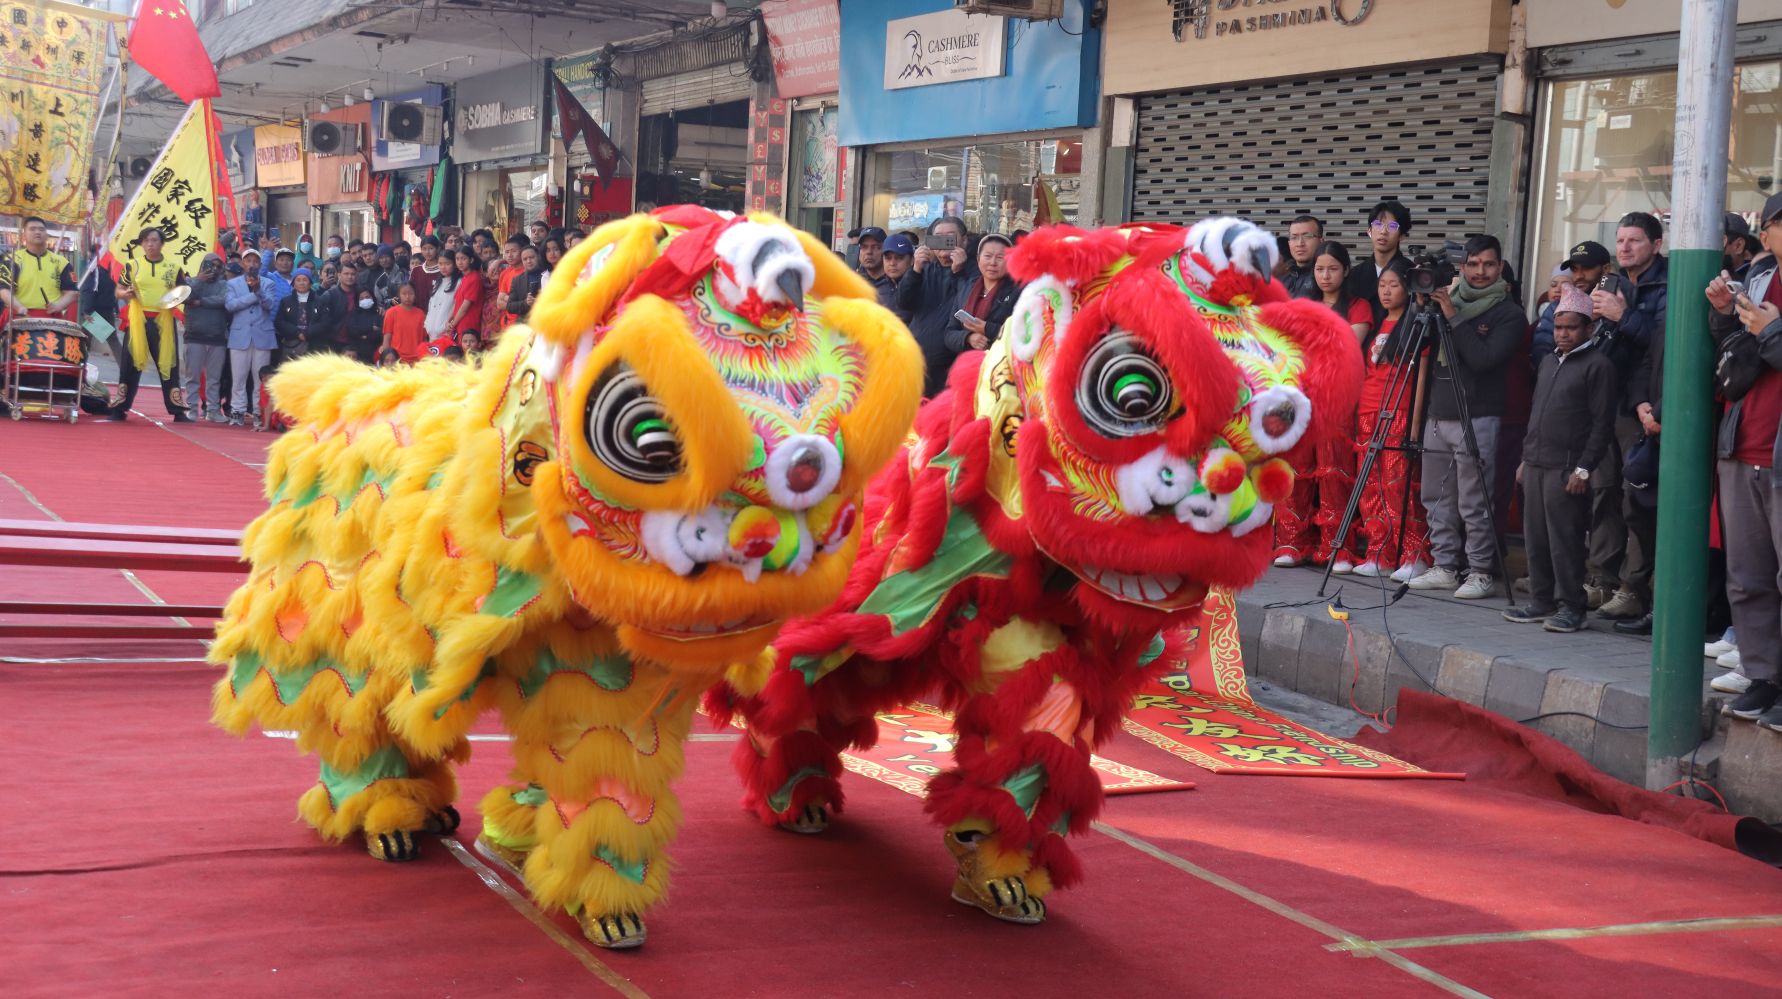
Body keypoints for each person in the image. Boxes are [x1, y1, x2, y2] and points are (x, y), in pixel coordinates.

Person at [1407, 234, 1524, 600]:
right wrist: (1420, 307)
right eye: (1472, 264)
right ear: (1461, 267)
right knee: (1436, 497)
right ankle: (1444, 565)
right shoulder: (1445, 302)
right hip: (1438, 414)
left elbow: (1483, 358)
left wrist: (1452, 316)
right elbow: (1412, 347)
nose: (1480, 271)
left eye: (1488, 264)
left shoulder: (1508, 313)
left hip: (1479, 415)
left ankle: (1480, 570)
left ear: (1500, 267)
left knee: (1475, 501)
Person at [1707, 190, 1782, 729]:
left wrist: (1771, 331)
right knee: (1747, 576)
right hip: (1742, 444)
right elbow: (1738, 351)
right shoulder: (1758, 280)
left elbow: (1769, 341)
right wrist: (1723, 316)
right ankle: (1762, 676)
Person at [1504, 285, 1618, 634]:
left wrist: (1583, 469)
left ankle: (1573, 607)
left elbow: (1602, 425)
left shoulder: (1598, 366)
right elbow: (1536, 414)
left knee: (1565, 540)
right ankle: (1542, 601)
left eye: (1571, 327)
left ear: (1588, 328)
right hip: (1537, 463)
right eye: (1558, 327)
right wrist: (1525, 459)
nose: (1563, 333)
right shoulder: (1550, 361)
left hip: (1567, 468)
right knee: (1536, 538)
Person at [1583, 213, 1669, 622]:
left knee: (1637, 500)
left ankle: (1634, 588)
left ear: (1656, 243)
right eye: (1620, 240)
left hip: (1646, 407)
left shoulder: (1668, 283)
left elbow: (1664, 343)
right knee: (1603, 493)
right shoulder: (1612, 283)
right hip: (1606, 403)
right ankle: (1601, 581)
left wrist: (1622, 316)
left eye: (1634, 240)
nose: (1625, 248)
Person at [1276, 240, 1371, 570]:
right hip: (1301, 398)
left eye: (1332, 268)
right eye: (1319, 269)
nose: (1325, 276)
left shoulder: (1358, 306)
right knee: (1295, 471)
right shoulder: (1302, 306)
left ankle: (1337, 545)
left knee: (1334, 472)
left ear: (1345, 271)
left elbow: (1345, 348)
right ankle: (1291, 542)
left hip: (1337, 401)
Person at [1350, 259, 1431, 581]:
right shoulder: (1380, 323)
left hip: (1398, 412)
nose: (1386, 291)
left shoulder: (1415, 326)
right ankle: (1378, 552)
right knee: (1371, 487)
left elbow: (1422, 376)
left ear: (1408, 289)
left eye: (1393, 285)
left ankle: (1413, 554)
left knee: (1400, 487)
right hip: (1368, 412)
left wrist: (1414, 422)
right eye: (1382, 285)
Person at [111, 227, 191, 422]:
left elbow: (182, 291)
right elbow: (118, 290)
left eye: (154, 240)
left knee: (168, 364)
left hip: (163, 320)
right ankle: (120, 407)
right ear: (141, 243)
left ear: (162, 243)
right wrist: (125, 294)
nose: (150, 244)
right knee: (130, 363)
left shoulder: (173, 268)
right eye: (146, 240)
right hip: (138, 319)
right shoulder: (132, 265)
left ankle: (177, 410)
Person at [898, 215, 976, 396]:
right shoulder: (925, 269)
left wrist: (959, 273)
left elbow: (968, 305)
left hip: (952, 368)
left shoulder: (974, 271)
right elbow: (904, 301)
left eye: (950, 237)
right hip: (918, 363)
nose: (944, 243)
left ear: (964, 240)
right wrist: (915, 269)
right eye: (938, 237)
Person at [942, 233, 1019, 366]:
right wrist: (968, 338)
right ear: (978, 259)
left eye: (1000, 257)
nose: (992, 263)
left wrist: (987, 329)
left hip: (1001, 369)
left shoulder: (1018, 292)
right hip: (966, 366)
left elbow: (1021, 337)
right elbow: (949, 333)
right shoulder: (967, 288)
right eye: (987, 256)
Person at [225, 248, 280, 427]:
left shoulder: (268, 283)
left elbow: (270, 304)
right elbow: (230, 305)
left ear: (260, 264)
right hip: (240, 335)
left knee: (261, 378)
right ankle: (237, 411)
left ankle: (258, 411)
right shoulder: (233, 284)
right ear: (242, 264)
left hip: (262, 335)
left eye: (255, 261)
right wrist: (253, 295)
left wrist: (259, 291)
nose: (252, 264)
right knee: (239, 377)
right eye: (248, 261)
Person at [180, 253, 233, 422]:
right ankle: (192, 409)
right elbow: (185, 297)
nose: (215, 270)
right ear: (203, 265)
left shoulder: (225, 284)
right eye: (211, 265)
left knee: (214, 378)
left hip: (217, 337)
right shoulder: (190, 282)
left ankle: (213, 410)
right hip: (194, 335)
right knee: (192, 377)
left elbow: (223, 300)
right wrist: (199, 280)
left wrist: (200, 302)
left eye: (218, 266)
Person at [1, 216, 78, 319]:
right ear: (23, 235)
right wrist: (19, 307)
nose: (37, 232)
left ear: (47, 235)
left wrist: (59, 306)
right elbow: (4, 290)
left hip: (52, 317)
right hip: (19, 315)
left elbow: (72, 291)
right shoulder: (13, 259)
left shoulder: (61, 262)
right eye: (32, 229)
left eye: (41, 229)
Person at [1346, 200, 1411, 316]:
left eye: (1392, 226)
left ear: (1402, 236)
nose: (1383, 232)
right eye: (1378, 224)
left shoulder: (1411, 272)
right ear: (1369, 231)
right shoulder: (1355, 275)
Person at [275, 269, 331, 356]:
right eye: (298, 280)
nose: (301, 283)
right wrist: (296, 332)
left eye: (305, 280)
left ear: (310, 283)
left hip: (314, 345)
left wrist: (308, 333)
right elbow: (280, 322)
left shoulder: (319, 301)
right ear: (293, 283)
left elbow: (325, 322)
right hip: (291, 345)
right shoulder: (285, 301)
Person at [336, 264, 383, 364]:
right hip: (357, 355)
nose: (365, 300)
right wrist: (371, 328)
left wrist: (365, 336)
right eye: (361, 298)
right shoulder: (354, 314)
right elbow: (353, 331)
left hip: (375, 355)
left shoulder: (379, 314)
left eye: (367, 297)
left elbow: (381, 334)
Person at [380, 281, 429, 363]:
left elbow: (424, 340)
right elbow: (387, 339)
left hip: (417, 361)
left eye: (411, 294)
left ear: (415, 295)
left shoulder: (421, 314)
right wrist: (386, 360)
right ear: (399, 295)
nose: (407, 297)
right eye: (404, 294)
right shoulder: (391, 313)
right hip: (397, 360)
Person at [446, 247, 486, 344]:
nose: (460, 262)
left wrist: (453, 324)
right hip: (459, 322)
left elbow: (465, 307)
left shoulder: (474, 278)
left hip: (469, 322)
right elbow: (456, 303)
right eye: (457, 259)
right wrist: (448, 320)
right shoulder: (465, 278)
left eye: (463, 259)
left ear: (471, 260)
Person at [1281, 214, 1323, 299]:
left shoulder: (1326, 278)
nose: (1300, 243)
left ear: (1321, 241)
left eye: (1307, 236)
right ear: (1289, 243)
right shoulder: (1282, 278)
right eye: (1294, 237)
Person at [424, 250, 460, 340]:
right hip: (431, 333)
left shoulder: (459, 283)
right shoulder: (437, 283)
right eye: (440, 264)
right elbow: (431, 307)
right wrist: (427, 324)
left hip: (446, 332)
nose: (443, 267)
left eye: (447, 264)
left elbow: (457, 306)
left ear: (454, 264)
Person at [853, 226, 894, 306]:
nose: (869, 252)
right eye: (864, 247)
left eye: (876, 247)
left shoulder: (896, 282)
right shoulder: (853, 282)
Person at [881, 233, 916, 322]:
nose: (892, 263)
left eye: (899, 258)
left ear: (912, 260)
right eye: (888, 258)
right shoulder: (876, 288)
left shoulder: (921, 286)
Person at [410, 235, 444, 310]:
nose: (427, 252)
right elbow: (411, 292)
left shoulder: (443, 271)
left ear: (438, 249)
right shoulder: (416, 271)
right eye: (424, 249)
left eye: (431, 248)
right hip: (419, 314)